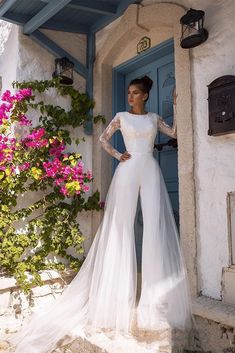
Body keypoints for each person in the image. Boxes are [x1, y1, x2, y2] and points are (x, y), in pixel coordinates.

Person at [9, 75, 193, 353]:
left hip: (151, 171)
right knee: (120, 229)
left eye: (134, 93)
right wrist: (119, 156)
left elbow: (176, 133)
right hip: (128, 170)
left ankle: (153, 305)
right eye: (129, 93)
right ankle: (115, 300)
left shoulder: (154, 118)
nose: (130, 97)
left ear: (144, 95)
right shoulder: (120, 116)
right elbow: (103, 140)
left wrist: (177, 106)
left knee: (154, 228)